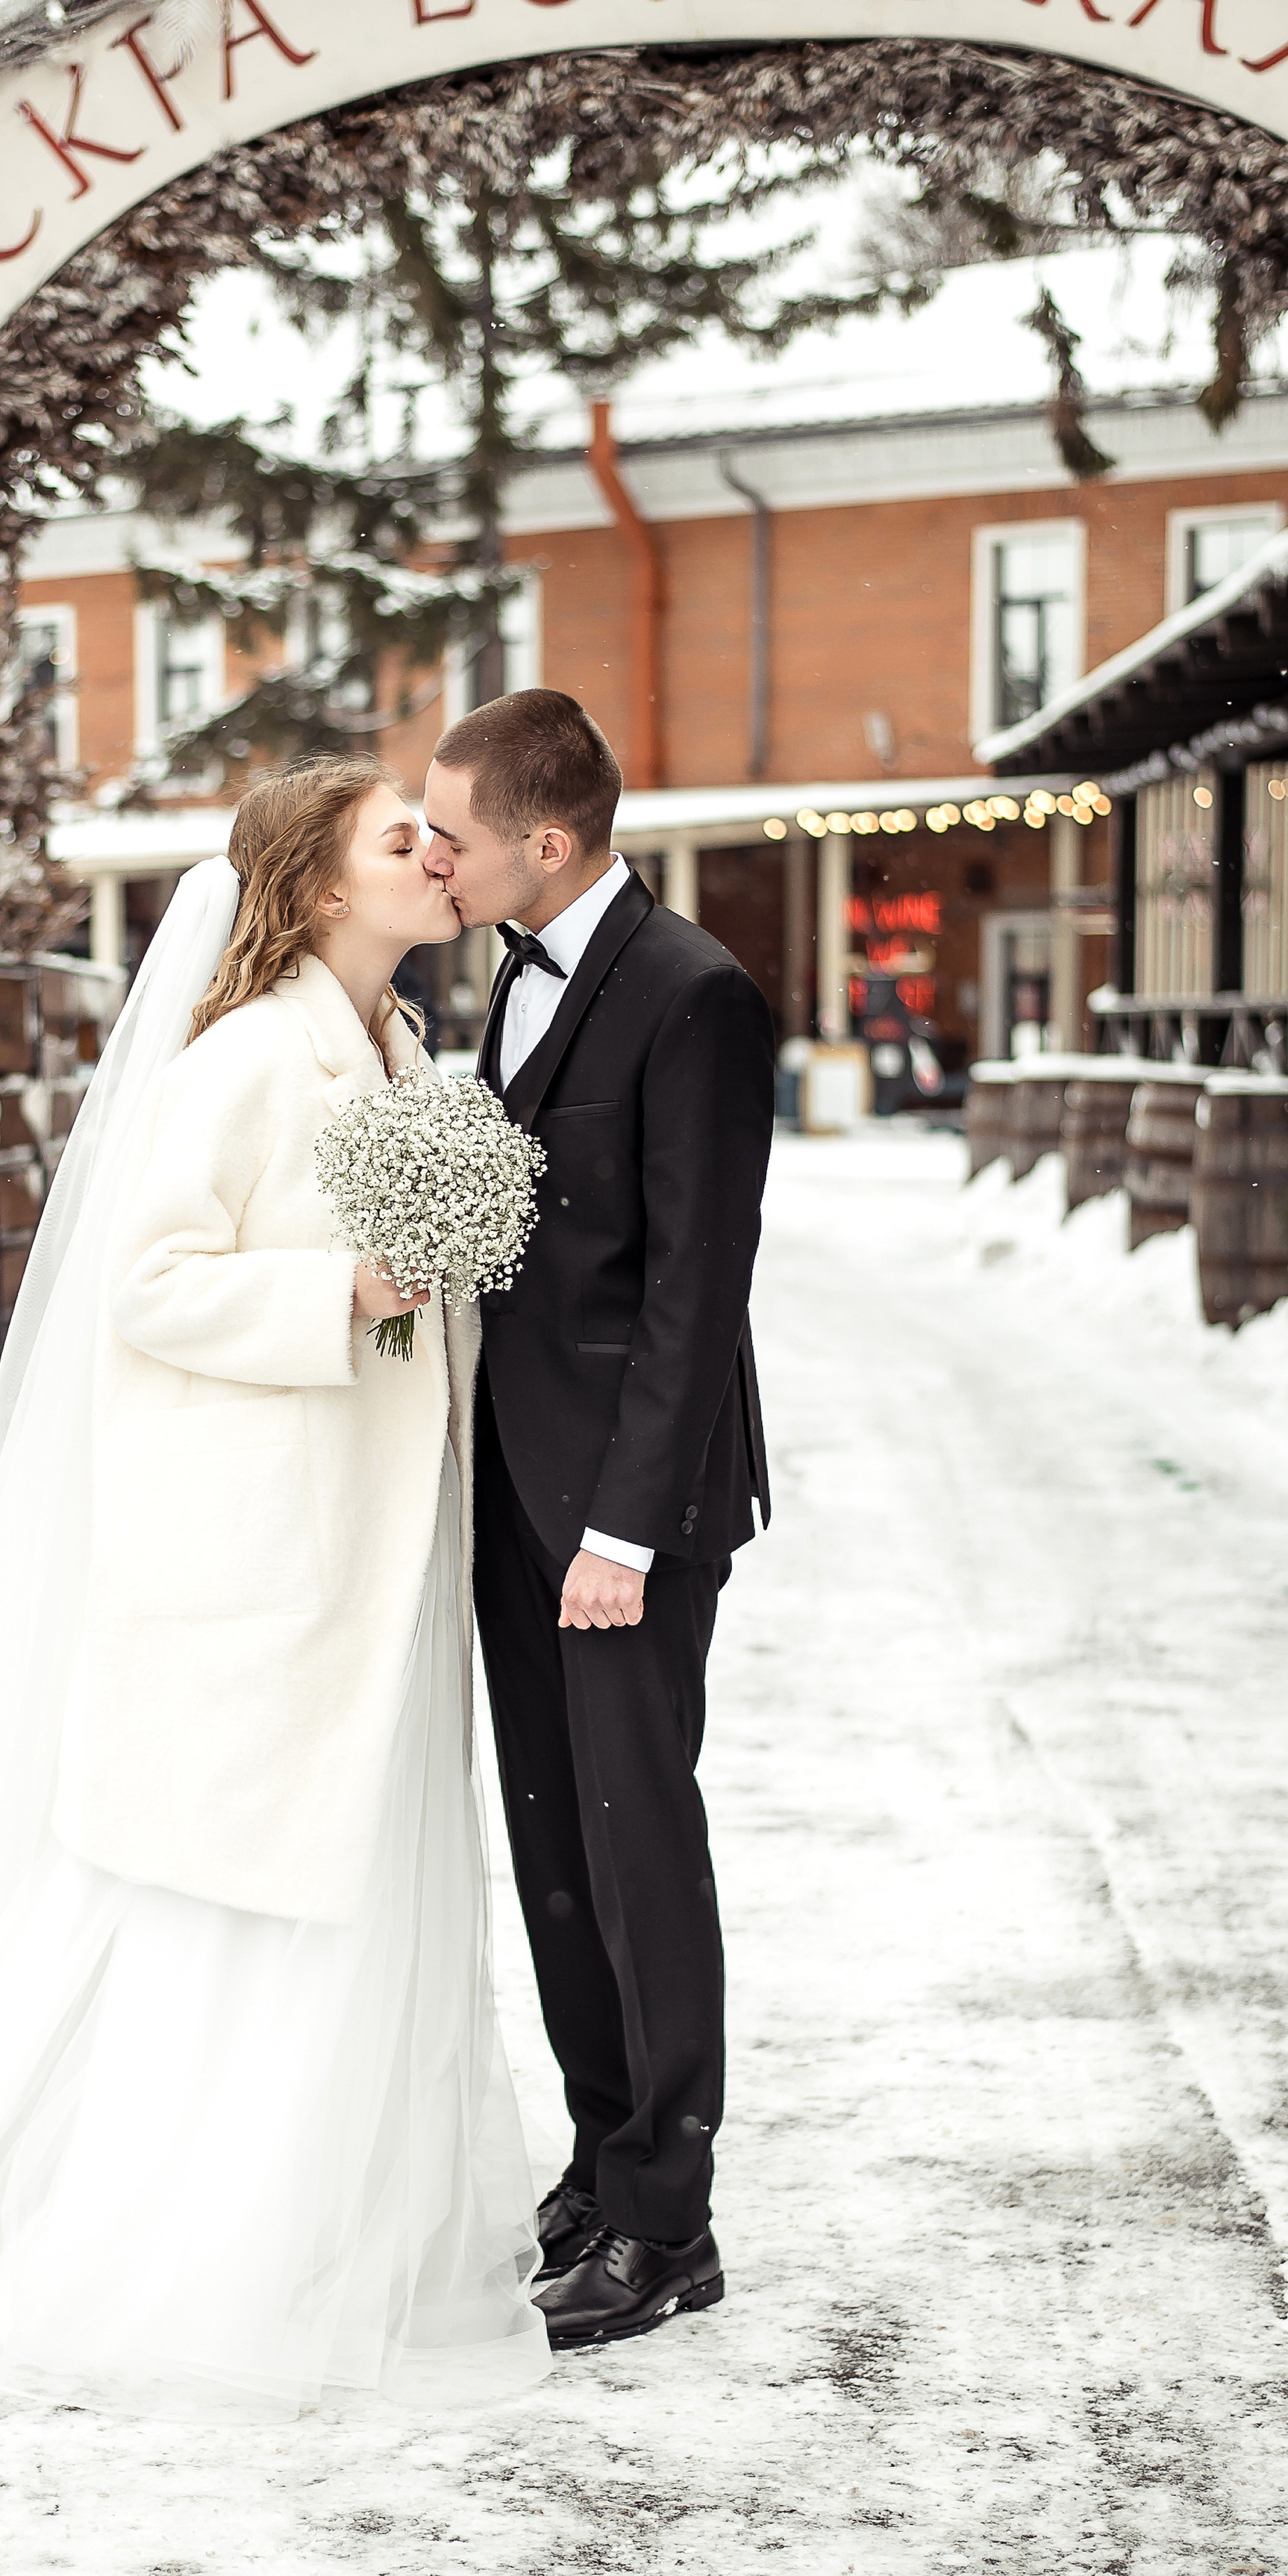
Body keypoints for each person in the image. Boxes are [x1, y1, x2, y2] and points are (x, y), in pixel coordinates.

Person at [0, 758, 551, 2421]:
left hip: (379, 1543)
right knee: (241, 1889)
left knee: (354, 1873)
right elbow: (147, 1286)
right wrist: (354, 1284)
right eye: (400, 839)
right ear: (316, 890)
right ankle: (180, 2250)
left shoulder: (393, 1050)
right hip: (265, 1543)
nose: (435, 852)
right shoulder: (242, 1059)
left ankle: (334, 2228)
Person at [422, 689, 775, 2351]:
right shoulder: (506, 969)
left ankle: (668, 2221)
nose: (432, 854)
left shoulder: (695, 996)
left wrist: (623, 1535)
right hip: (512, 1488)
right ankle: (600, 2155)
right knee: (556, 1845)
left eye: (455, 832)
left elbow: (698, 1291)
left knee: (638, 1844)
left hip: (626, 1512)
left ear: (543, 843)